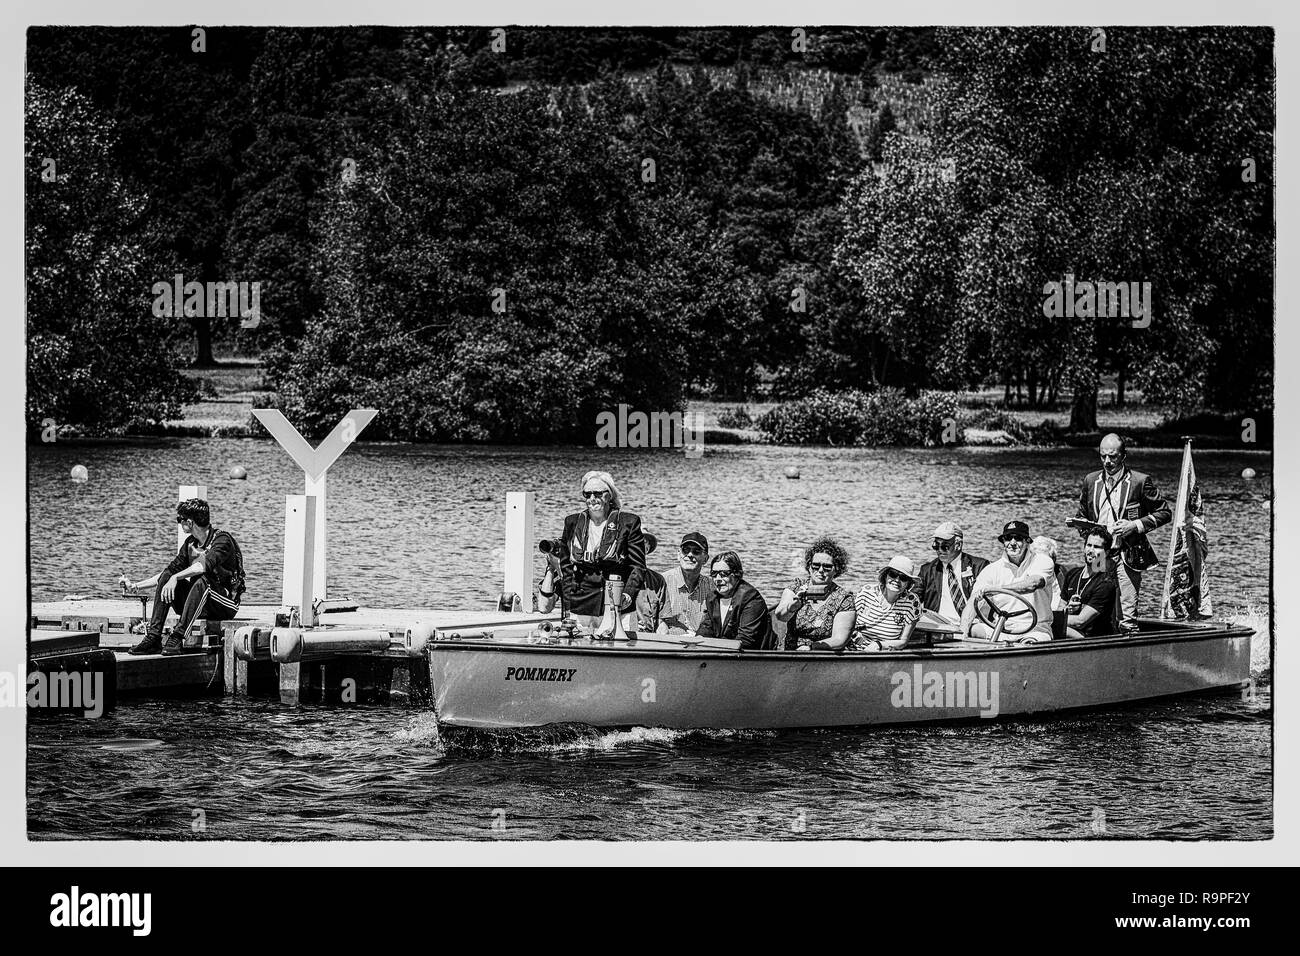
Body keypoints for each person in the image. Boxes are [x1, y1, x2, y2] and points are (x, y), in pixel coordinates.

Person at [125, 498, 245, 656]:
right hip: (199, 601)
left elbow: (202, 566)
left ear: (189, 522)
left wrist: (176, 578)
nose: (179, 523)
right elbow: (168, 573)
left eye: (179, 520)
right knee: (169, 575)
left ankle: (178, 636)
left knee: (203, 581)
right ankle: (153, 637)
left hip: (224, 604)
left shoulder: (222, 540)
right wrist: (136, 586)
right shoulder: (191, 543)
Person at [1075, 433, 1171, 630]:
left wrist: (1134, 525)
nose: (1107, 461)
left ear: (1124, 456)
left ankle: (1130, 646)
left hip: (1127, 554)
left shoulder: (1140, 481)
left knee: (1127, 613)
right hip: (1100, 555)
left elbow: (1164, 512)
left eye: (1113, 456)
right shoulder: (1091, 480)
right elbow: (1082, 514)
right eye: (1103, 456)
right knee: (1095, 605)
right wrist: (1089, 538)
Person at [556, 471, 647, 632]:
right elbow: (565, 566)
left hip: (619, 606)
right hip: (582, 605)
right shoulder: (572, 522)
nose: (592, 499)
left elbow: (638, 567)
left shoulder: (629, 522)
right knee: (580, 652)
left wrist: (628, 594)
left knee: (620, 653)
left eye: (597, 493)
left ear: (609, 495)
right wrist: (569, 600)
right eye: (587, 494)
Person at [961, 520, 1054, 643]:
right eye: (1008, 538)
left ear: (1027, 542)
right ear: (1003, 542)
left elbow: (1032, 584)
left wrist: (995, 590)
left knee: (1028, 644)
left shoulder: (1042, 561)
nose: (1013, 543)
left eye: (1018, 538)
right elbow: (974, 602)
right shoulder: (991, 570)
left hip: (1035, 630)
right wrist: (963, 633)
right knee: (973, 630)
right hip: (1001, 629)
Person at [774, 536, 857, 650]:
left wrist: (811, 647)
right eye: (816, 566)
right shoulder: (796, 587)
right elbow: (780, 616)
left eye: (827, 567)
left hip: (826, 654)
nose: (821, 570)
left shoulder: (844, 598)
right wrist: (792, 607)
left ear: (836, 569)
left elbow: (839, 640)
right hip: (792, 652)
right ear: (809, 567)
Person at [697, 551, 774, 650]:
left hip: (753, 656)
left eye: (724, 574)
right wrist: (698, 640)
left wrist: (716, 647)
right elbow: (706, 627)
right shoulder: (712, 597)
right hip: (723, 653)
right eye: (714, 574)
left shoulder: (751, 598)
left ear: (737, 574)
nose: (718, 579)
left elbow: (746, 640)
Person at [917, 522, 989, 624]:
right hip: (937, 626)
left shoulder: (979, 566)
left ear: (958, 545)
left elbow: (989, 600)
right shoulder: (927, 570)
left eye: (945, 546)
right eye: (936, 546)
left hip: (972, 624)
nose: (939, 550)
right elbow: (913, 597)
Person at [848, 556, 923, 651]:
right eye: (893, 574)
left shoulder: (912, 602)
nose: (897, 580)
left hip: (884, 654)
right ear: (885, 576)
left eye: (903, 577)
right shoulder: (866, 592)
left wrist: (879, 645)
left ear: (908, 583)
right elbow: (847, 624)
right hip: (853, 650)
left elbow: (903, 641)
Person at [1063, 529, 1120, 639]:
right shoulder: (1072, 574)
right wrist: (1067, 609)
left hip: (1092, 640)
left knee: (1050, 627)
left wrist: (1048, 619)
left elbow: (1080, 621)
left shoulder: (1106, 583)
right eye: (1089, 545)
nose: (1091, 550)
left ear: (1106, 552)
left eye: (1097, 547)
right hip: (1069, 631)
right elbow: (1060, 609)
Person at [659, 531, 715, 634]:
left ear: (705, 559)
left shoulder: (712, 587)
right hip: (669, 644)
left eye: (696, 551)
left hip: (700, 644)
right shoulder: (662, 581)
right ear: (678, 554)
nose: (690, 555)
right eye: (685, 550)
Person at [635, 533, 668, 632]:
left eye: (645, 544)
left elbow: (662, 621)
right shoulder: (612, 577)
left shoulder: (658, 580)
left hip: (647, 639)